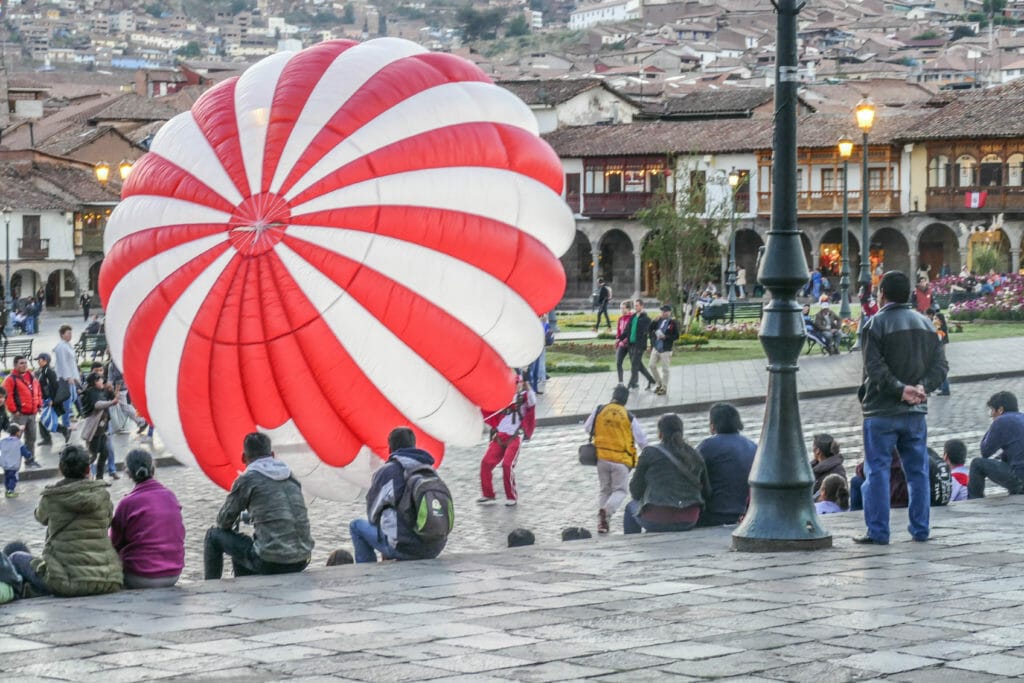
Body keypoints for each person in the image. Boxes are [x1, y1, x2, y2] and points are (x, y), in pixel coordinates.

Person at [855, 270, 948, 545]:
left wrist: (900, 389)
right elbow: (941, 367)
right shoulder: (926, 323)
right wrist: (922, 387)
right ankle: (920, 528)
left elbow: (874, 368)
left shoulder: (875, 324)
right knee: (918, 472)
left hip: (881, 410)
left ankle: (878, 532)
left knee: (877, 471)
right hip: (915, 411)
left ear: (882, 294)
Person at [6, 445, 122, 597]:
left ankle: (19, 591)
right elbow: (108, 521)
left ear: (61, 469)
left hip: (65, 582)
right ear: (88, 469)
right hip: (106, 580)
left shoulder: (51, 497)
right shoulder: (102, 495)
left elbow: (40, 516)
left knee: (15, 555)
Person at [203, 432, 313, 580]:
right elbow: (283, 514)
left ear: (243, 457)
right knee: (246, 545)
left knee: (213, 535)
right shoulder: (290, 476)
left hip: (271, 562)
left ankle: (210, 586)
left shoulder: (247, 479)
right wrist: (252, 515)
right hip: (301, 560)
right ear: (272, 455)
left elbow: (223, 521)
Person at [350, 427, 450, 562]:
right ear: (413, 445)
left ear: (390, 448)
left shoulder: (387, 472)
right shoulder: (429, 470)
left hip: (404, 548)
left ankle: (367, 571)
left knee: (356, 526)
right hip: (435, 548)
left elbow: (372, 515)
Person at [110, 450, 185, 589]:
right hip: (173, 574)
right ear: (153, 469)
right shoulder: (170, 496)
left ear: (128, 473)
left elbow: (114, 543)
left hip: (140, 576)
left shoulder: (127, 503)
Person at [624, 413, 710, 534]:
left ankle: (635, 543)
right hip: (690, 518)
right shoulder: (695, 455)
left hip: (657, 518)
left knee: (630, 507)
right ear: (682, 432)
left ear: (660, 434)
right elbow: (707, 492)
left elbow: (635, 491)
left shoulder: (649, 453)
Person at [583, 384, 649, 534]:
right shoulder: (628, 416)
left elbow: (587, 427)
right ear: (625, 400)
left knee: (604, 490)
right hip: (621, 460)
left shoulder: (600, 410)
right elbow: (642, 440)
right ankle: (606, 512)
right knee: (620, 491)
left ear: (613, 396)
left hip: (602, 458)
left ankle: (602, 524)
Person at [696, 402, 756, 527]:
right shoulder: (752, 446)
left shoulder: (707, 446)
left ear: (713, 426)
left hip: (716, 513)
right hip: (747, 513)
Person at [479, 376, 535, 506]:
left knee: (507, 465)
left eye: (517, 383)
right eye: (512, 384)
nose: (515, 386)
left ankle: (511, 496)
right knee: (485, 463)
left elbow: (532, 401)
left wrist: (527, 384)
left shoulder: (525, 397)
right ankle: (488, 494)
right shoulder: (502, 398)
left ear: (521, 384)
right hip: (499, 437)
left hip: (514, 438)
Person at [968, 391, 1024, 499]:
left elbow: (985, 451)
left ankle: (974, 500)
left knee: (977, 463)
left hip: (1020, 478)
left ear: (1000, 409)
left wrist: (993, 425)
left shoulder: (1001, 421)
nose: (991, 414)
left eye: (992, 410)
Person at [79, 373, 119, 480]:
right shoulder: (91, 392)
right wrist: (111, 402)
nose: (102, 381)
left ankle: (99, 478)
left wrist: (112, 391)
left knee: (105, 453)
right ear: (95, 382)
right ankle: (83, 475)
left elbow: (111, 398)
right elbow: (97, 405)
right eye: (100, 380)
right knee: (92, 456)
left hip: (102, 429)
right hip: (95, 431)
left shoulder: (100, 391)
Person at [3, 356, 41, 463]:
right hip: (19, 415)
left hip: (32, 414)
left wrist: (39, 405)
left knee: (31, 438)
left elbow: (38, 391)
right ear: (15, 365)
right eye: (21, 363)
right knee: (15, 439)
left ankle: (30, 460)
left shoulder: (32, 377)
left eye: (25, 363)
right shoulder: (10, 379)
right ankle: (11, 461)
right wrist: (14, 411)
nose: (24, 365)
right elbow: (7, 396)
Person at [621, 299, 655, 391]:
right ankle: (651, 380)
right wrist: (620, 338)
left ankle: (629, 385)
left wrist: (651, 344)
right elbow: (627, 329)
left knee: (634, 366)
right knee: (639, 365)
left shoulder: (646, 319)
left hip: (639, 345)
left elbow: (650, 332)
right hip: (631, 344)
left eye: (637, 305)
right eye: (635, 305)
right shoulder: (633, 317)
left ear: (642, 306)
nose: (635, 307)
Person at [52, 325, 78, 442]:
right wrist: (68, 377)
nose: (70, 335)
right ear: (62, 334)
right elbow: (63, 363)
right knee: (67, 401)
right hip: (64, 379)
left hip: (70, 377)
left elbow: (72, 363)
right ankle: (66, 423)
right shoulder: (61, 347)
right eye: (68, 333)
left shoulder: (67, 345)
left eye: (71, 333)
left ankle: (67, 421)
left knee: (73, 398)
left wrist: (76, 377)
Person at [648, 305, 679, 396]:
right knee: (651, 365)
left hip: (665, 349)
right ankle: (659, 383)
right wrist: (654, 321)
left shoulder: (672, 322)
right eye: (662, 311)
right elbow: (649, 329)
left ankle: (664, 388)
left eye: (665, 311)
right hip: (656, 347)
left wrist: (666, 337)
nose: (663, 313)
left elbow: (676, 336)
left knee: (665, 369)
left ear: (669, 312)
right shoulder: (658, 320)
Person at [2, 424, 39, 498]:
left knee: (7, 477)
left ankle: (7, 490)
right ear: (17, 433)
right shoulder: (18, 442)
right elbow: (25, 452)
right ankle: (10, 491)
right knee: (13, 478)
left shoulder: (3, 441)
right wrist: (30, 456)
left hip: (5, 464)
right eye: (19, 432)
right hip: (14, 464)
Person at [34, 352, 58, 447]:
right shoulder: (43, 370)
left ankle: (63, 431)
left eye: (39, 360)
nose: (38, 362)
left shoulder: (49, 371)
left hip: (47, 399)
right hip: (44, 398)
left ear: (45, 360)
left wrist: (52, 399)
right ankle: (47, 438)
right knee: (43, 419)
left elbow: (54, 386)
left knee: (43, 419)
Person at [927, 306, 951, 396]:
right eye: (934, 318)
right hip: (938, 353)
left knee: (940, 372)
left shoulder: (941, 330)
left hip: (939, 354)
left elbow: (939, 340)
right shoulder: (939, 328)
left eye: (936, 319)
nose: (934, 320)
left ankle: (945, 389)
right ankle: (941, 387)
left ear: (940, 320)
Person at [614, 301, 633, 384]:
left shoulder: (632, 318)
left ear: (628, 308)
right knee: (618, 362)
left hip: (631, 344)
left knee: (634, 364)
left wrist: (625, 340)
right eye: (621, 308)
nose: (621, 310)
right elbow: (619, 332)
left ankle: (633, 383)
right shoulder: (620, 319)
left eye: (623, 308)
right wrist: (617, 341)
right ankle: (620, 382)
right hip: (621, 344)